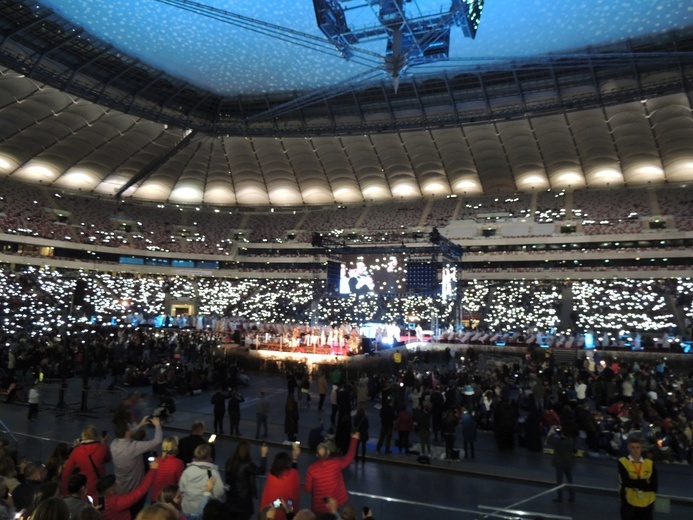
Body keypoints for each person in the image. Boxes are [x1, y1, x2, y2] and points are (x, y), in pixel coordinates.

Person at [110, 416, 163, 517]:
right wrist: (157, 426)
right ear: (127, 432)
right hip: (136, 488)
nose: (131, 429)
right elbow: (157, 441)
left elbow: (127, 435)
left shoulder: (114, 444)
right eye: (130, 428)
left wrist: (141, 425)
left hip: (120, 487)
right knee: (136, 513)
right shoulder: (134, 447)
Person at [304, 431, 358, 514]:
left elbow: (307, 489)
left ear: (317, 455)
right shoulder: (336, 463)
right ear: (328, 452)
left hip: (319, 507)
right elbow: (349, 457)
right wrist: (354, 439)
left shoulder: (311, 469)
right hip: (335, 504)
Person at [62, 426, 112, 498]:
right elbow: (108, 459)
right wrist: (104, 443)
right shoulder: (102, 448)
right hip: (99, 487)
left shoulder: (76, 451)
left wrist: (65, 493)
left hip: (83, 488)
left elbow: (66, 474)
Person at [225, 441, 268, 520]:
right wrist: (264, 455)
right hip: (244, 503)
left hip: (231, 501)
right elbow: (261, 470)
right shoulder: (248, 465)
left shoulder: (230, 462)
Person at [618, 435, 657, 520]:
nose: (635, 450)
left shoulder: (649, 463)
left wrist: (635, 483)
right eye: (633, 447)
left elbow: (654, 486)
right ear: (628, 448)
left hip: (647, 503)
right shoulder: (623, 462)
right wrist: (645, 482)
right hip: (629, 503)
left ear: (641, 448)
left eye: (637, 447)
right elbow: (626, 482)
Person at [259, 444, 301, 520]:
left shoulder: (271, 474)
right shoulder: (292, 475)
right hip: (284, 513)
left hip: (271, 512)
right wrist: (295, 459)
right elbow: (291, 497)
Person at [150, 437, 185, 506]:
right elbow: (180, 483)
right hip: (170, 500)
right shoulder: (178, 463)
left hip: (155, 497)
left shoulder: (157, 460)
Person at [546, 425, 575, 503]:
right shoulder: (571, 440)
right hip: (568, 462)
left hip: (559, 463)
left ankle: (560, 497)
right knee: (570, 480)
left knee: (559, 481)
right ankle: (572, 496)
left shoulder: (560, 442)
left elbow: (549, 440)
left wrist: (552, 432)